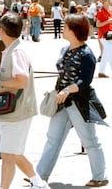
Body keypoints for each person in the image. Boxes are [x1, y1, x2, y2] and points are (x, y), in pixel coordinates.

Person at [36, 14, 108, 187]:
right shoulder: (65, 49)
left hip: (79, 102)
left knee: (90, 141)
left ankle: (100, 176)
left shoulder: (87, 54)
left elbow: (85, 81)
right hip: (62, 101)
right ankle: (39, 176)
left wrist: (68, 89)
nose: (63, 29)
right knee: (52, 139)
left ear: (74, 30)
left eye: (66, 27)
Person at [0, 12, 49, 189]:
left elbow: (22, 80)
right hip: (16, 111)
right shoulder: (15, 50)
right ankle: (38, 183)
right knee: (15, 152)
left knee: (8, 156)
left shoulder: (16, 52)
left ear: (1, 30)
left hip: (16, 112)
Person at [96, 0, 112, 77]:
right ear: (104, 2)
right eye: (108, 1)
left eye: (110, 1)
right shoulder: (100, 12)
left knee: (106, 54)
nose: (110, 2)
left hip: (109, 35)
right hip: (103, 35)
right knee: (110, 52)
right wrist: (108, 21)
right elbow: (98, 24)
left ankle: (101, 72)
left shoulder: (110, 11)